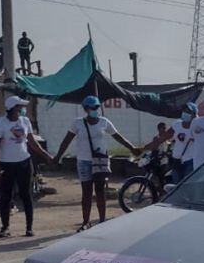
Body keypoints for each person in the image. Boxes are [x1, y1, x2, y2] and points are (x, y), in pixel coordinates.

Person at [53, 96, 141, 232]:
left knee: (100, 191)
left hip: (100, 161)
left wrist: (131, 147)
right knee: (86, 192)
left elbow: (117, 136)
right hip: (84, 161)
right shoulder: (77, 123)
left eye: (97, 107)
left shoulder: (104, 122)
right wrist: (58, 156)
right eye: (93, 107)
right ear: (86, 109)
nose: (96, 110)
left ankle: (102, 221)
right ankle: (86, 222)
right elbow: (66, 141)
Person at [0, 96, 54, 238]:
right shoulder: (0, 123)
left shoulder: (25, 121)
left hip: (24, 162)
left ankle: (29, 227)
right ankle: (5, 227)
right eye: (20, 107)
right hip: (6, 164)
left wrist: (45, 155)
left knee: (26, 195)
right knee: (6, 196)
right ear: (12, 108)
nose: (22, 109)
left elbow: (32, 141)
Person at [146, 102, 197, 181]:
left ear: (194, 115)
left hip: (190, 163)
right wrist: (143, 149)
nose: (184, 113)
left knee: (186, 188)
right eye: (184, 111)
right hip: (176, 162)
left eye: (188, 111)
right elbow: (161, 139)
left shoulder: (196, 128)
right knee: (175, 187)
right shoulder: (177, 125)